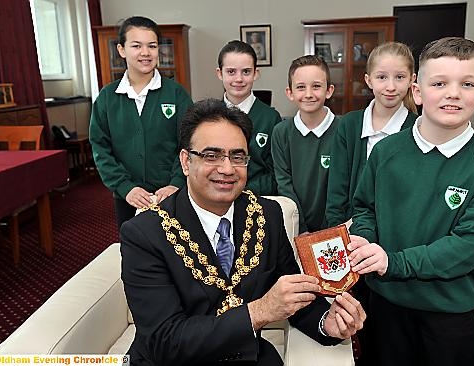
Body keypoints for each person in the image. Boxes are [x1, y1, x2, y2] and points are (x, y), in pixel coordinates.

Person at [120, 98, 366, 366]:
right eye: (211, 156)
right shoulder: (144, 233)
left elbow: (292, 294)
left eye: (238, 157)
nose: (227, 169)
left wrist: (326, 322)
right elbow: (164, 341)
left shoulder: (267, 215)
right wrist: (259, 311)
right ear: (186, 161)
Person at [347, 37, 474, 366]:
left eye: (466, 84)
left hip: (447, 310)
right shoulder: (386, 152)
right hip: (385, 300)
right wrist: (366, 242)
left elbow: (466, 245)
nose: (452, 93)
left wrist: (392, 262)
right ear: (418, 92)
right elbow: (365, 208)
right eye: (439, 83)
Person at [324, 42, 418, 366]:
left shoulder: (417, 128)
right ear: (368, 80)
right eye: (382, 77)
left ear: (412, 80)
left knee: (392, 323)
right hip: (351, 235)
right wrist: (335, 233)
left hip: (395, 240)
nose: (390, 86)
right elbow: (336, 187)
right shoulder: (349, 125)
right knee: (354, 314)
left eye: (399, 77)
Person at [90, 16, 193, 230]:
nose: (145, 53)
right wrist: (125, 187)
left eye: (152, 46)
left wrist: (176, 184)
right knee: (134, 252)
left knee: (177, 253)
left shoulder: (177, 94)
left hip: (173, 195)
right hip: (128, 197)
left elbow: (190, 144)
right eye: (136, 46)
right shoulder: (108, 98)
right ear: (121, 50)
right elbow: (101, 148)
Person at [271, 55, 336, 234]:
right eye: (300, 87)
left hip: (335, 227)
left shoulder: (343, 130)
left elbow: (342, 187)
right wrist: (300, 228)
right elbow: (284, 184)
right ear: (290, 93)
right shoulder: (281, 133)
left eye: (316, 86)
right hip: (295, 226)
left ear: (329, 91)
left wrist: (331, 229)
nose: (308, 94)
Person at [216, 40, 281, 195]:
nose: (239, 79)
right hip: (215, 197)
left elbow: (277, 174)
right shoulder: (209, 116)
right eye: (231, 72)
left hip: (257, 198)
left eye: (246, 72)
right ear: (220, 73)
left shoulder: (271, 118)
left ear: (255, 73)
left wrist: (241, 190)